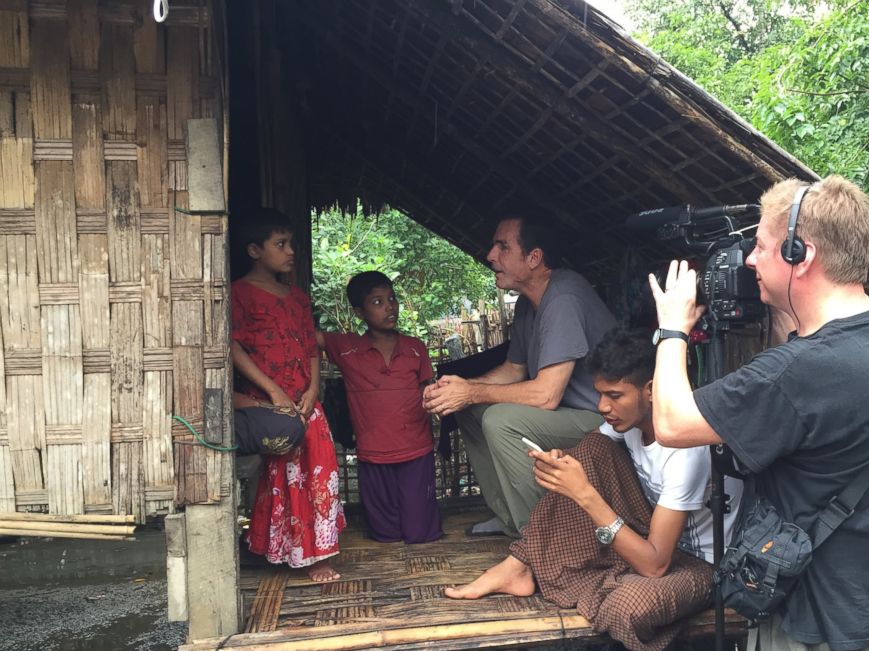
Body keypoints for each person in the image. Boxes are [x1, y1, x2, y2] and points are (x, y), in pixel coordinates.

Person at [648, 176, 869, 651]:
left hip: (812, 630)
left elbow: (671, 422)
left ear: (803, 255)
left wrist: (671, 329)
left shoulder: (808, 372)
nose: (750, 259)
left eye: (764, 245)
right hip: (867, 610)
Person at [444, 329, 742, 651]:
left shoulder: (686, 449)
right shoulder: (625, 426)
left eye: (614, 396)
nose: (602, 406)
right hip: (650, 538)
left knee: (627, 605)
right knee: (589, 451)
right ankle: (519, 564)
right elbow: (588, 457)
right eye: (599, 394)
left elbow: (656, 566)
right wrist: (563, 466)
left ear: (652, 391)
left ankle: (597, 579)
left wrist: (584, 493)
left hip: (701, 563)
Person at [423, 213, 616, 537]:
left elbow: (546, 394)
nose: (490, 256)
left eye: (503, 247)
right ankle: (510, 515)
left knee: (500, 420)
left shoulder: (563, 297)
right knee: (469, 410)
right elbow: (514, 370)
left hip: (604, 420)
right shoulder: (529, 303)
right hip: (567, 413)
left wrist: (471, 391)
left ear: (534, 258)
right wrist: (457, 389)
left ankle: (538, 540)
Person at [232, 208, 346, 582]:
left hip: (306, 401)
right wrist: (273, 391)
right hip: (270, 403)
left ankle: (318, 556)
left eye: (291, 243)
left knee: (318, 475)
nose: (290, 251)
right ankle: (281, 549)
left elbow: (311, 348)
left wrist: (313, 389)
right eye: (280, 244)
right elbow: (233, 348)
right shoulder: (240, 294)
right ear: (254, 250)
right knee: (280, 476)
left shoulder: (296, 297)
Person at [322, 271, 443, 544]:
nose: (390, 307)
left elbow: (426, 389)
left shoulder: (415, 348)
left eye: (392, 299)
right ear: (359, 312)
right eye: (377, 302)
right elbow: (303, 335)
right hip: (373, 455)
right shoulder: (347, 348)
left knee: (419, 532)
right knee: (384, 535)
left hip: (416, 450)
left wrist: (437, 399)